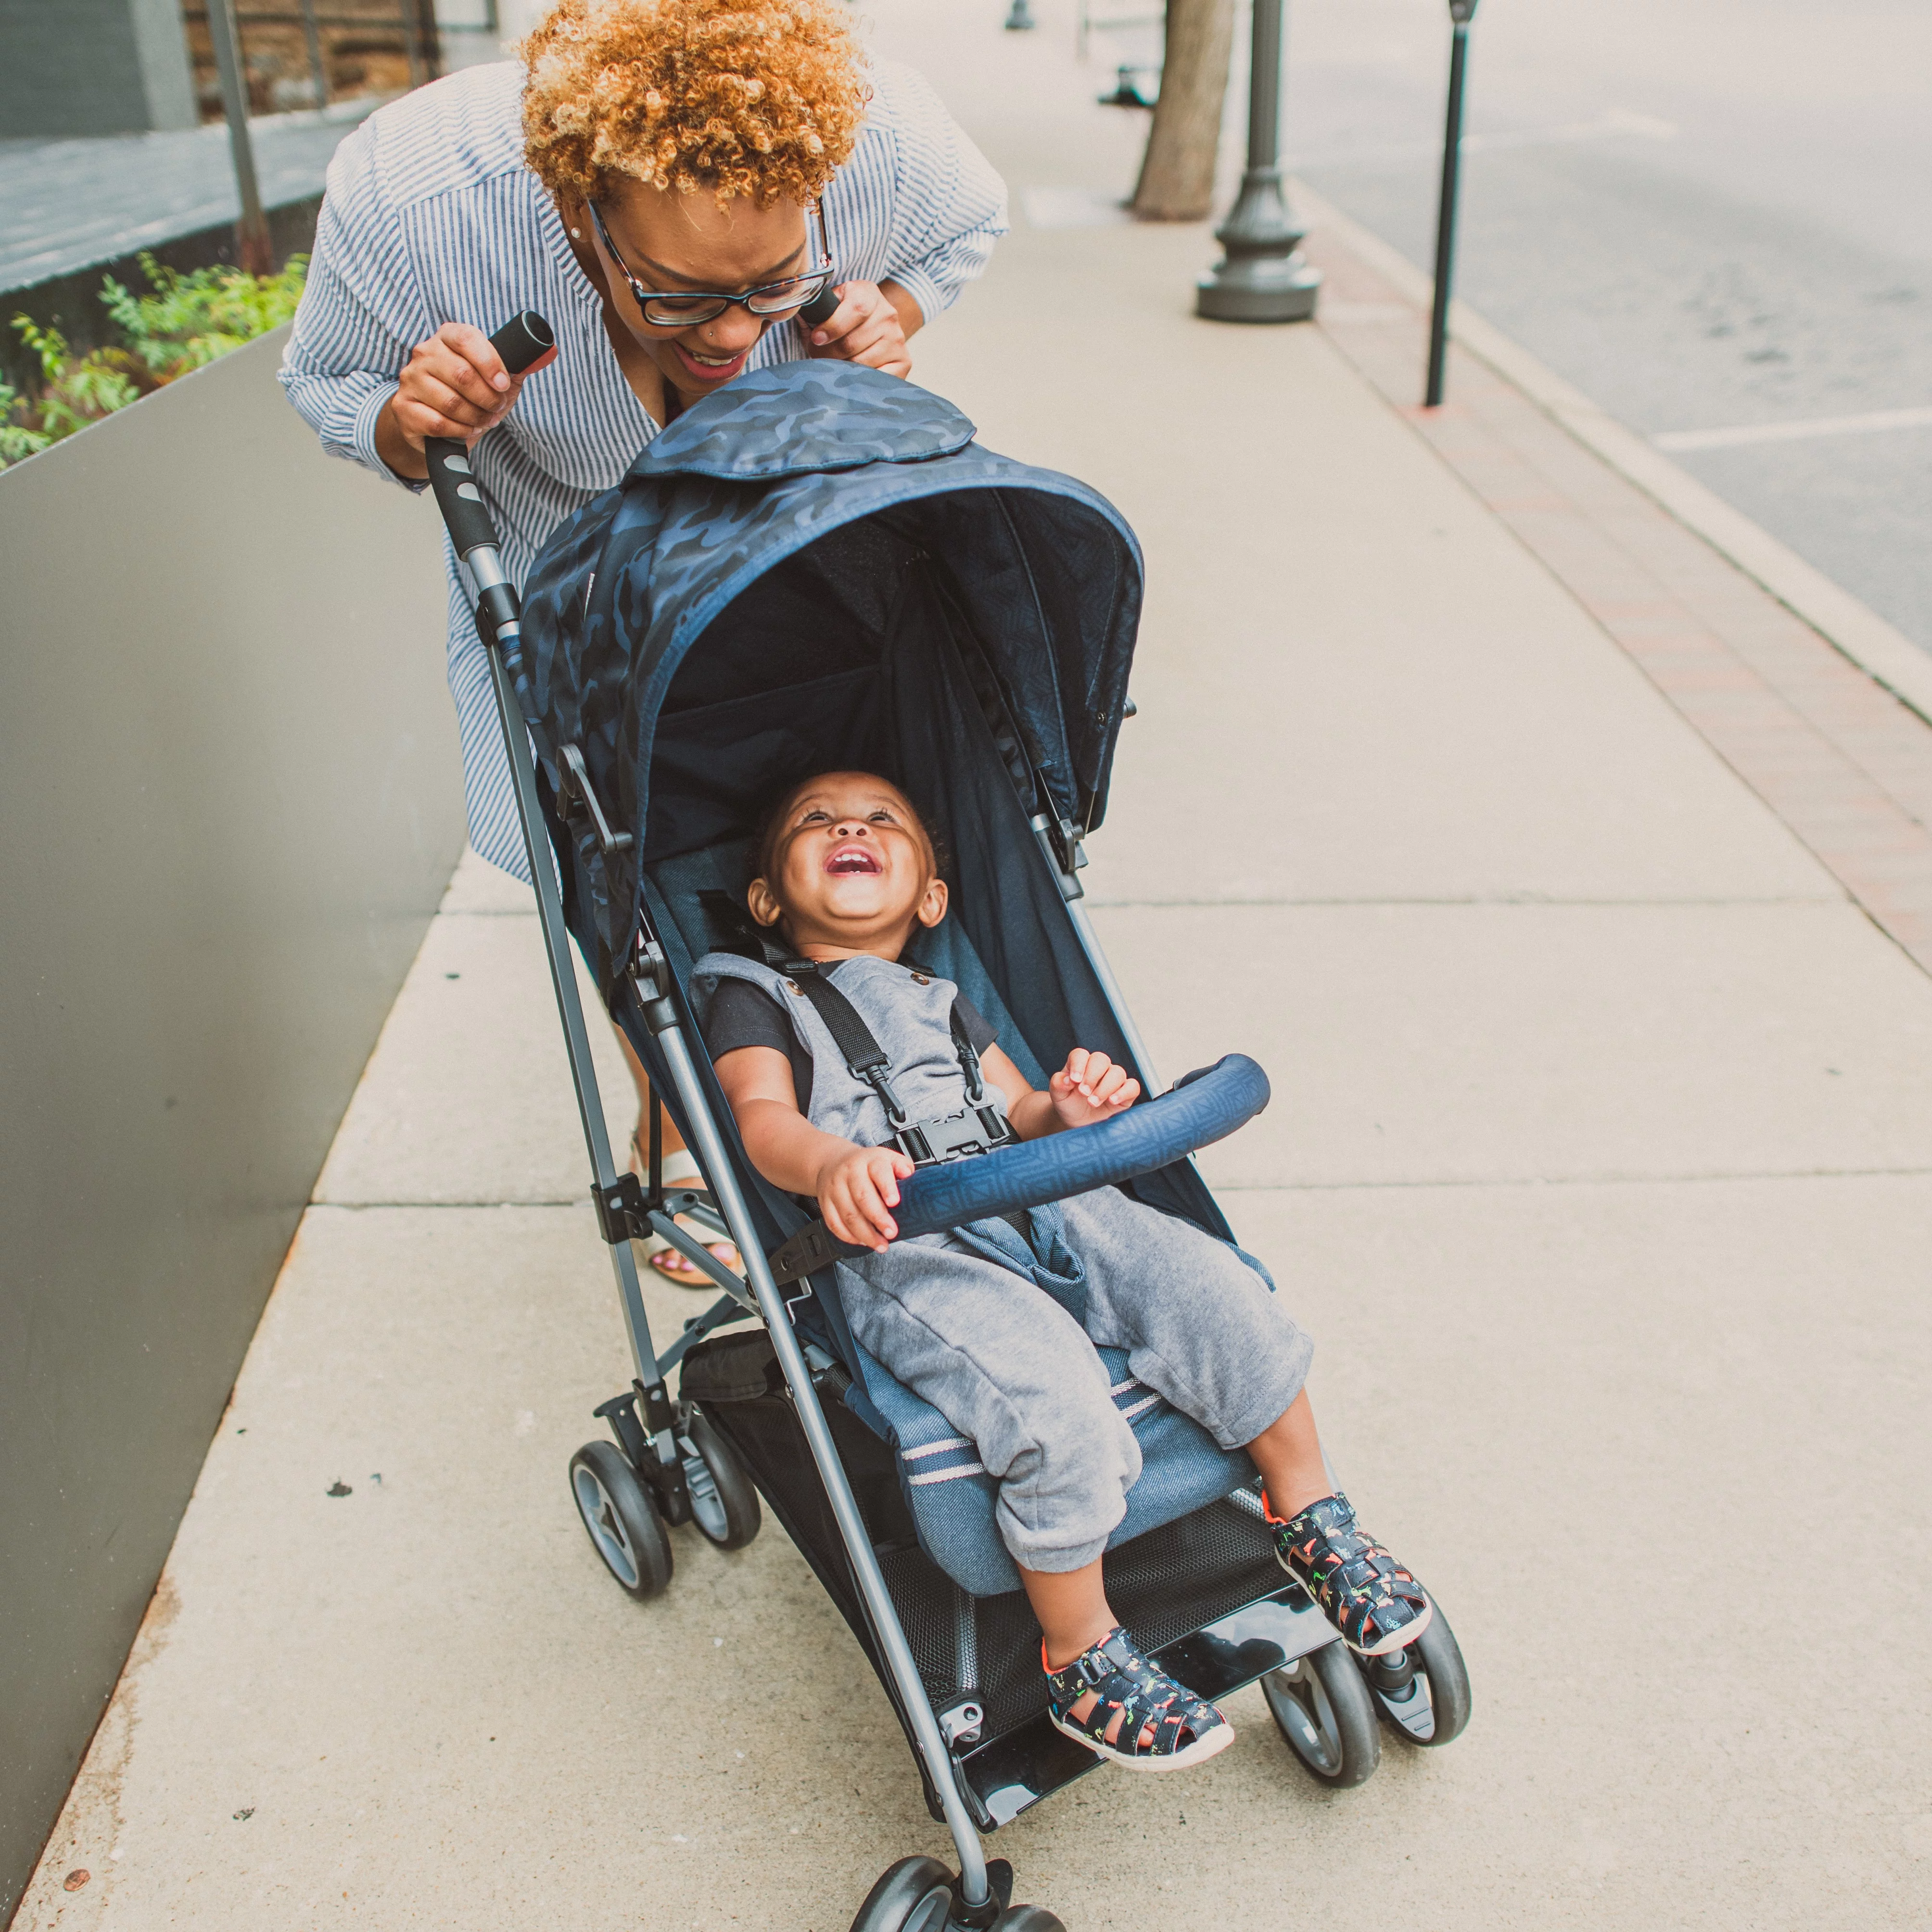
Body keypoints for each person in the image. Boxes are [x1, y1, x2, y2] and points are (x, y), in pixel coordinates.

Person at [279, 0, 1006, 1281]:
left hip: (797, 531)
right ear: (580, 217)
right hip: (571, 564)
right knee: (603, 851)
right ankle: (678, 1101)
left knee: (829, 772)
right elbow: (328, 383)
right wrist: (414, 417)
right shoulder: (419, 195)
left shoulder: (877, 135)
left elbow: (967, 224)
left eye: (769, 289)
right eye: (680, 296)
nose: (734, 337)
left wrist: (886, 309)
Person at [694, 772, 1432, 1771]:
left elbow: (1021, 1111)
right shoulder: (756, 991)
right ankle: (1079, 1650)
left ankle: (1310, 1515)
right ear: (768, 899)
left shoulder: (945, 998)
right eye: (816, 822)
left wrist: (1071, 1109)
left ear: (931, 899)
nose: (849, 828)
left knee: (1213, 1288)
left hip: (1043, 1196)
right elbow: (764, 1121)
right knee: (1047, 1391)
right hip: (910, 1241)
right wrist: (830, 1164)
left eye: (880, 821)